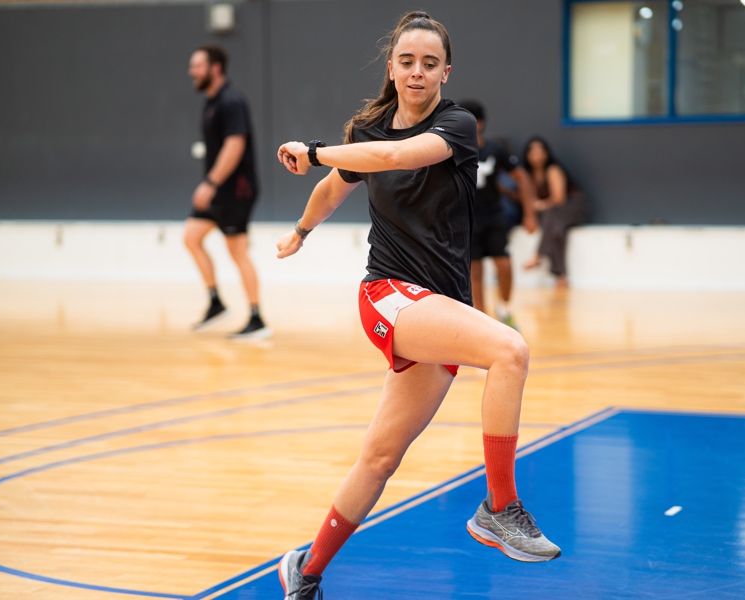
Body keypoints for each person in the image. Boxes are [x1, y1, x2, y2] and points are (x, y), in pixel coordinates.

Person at [274, 11, 560, 599]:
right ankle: (499, 507)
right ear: (392, 67)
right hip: (390, 295)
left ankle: (305, 572)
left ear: (445, 72)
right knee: (509, 350)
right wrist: (301, 231)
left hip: (438, 305)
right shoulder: (369, 129)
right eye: (407, 61)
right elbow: (333, 188)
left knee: (379, 459)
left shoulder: (456, 126)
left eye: (430, 64)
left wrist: (318, 149)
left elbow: (392, 159)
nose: (418, 72)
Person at [184, 44, 271, 340]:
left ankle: (257, 318)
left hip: (236, 190)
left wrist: (210, 183)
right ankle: (216, 302)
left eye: (197, 66)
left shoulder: (231, 101)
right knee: (191, 237)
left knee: (237, 250)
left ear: (215, 68)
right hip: (219, 190)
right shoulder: (212, 101)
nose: (191, 72)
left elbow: (235, 146)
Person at [457, 100, 536, 330]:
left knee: (504, 266)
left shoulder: (495, 150)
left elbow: (522, 178)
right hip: (468, 220)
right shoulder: (457, 151)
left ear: (479, 123)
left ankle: (504, 308)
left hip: (494, 217)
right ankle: (481, 319)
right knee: (475, 272)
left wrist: (529, 214)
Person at [521, 136, 589, 288]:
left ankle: (538, 255)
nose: (536, 155)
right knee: (557, 230)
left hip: (573, 206)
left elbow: (559, 198)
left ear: (546, 153)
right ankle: (561, 275)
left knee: (550, 215)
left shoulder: (553, 170)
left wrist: (541, 204)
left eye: (540, 151)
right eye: (532, 152)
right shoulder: (527, 175)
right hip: (554, 214)